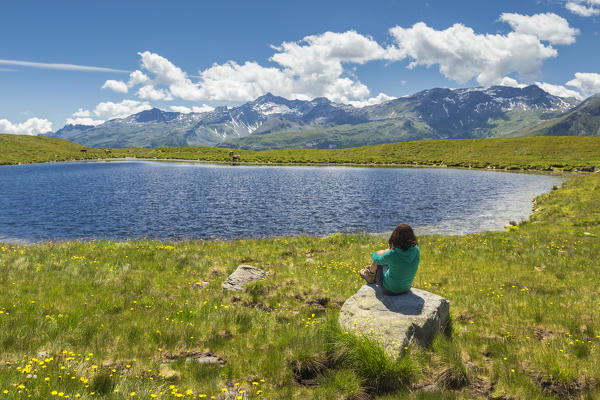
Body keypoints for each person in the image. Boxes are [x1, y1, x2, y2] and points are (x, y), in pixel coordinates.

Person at [359, 224, 420, 295]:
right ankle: (369, 271)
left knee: (380, 257)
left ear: (396, 236)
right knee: (386, 255)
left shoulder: (393, 254)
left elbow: (377, 260)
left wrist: (375, 253)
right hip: (406, 288)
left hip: (389, 290)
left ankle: (370, 275)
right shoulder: (416, 250)